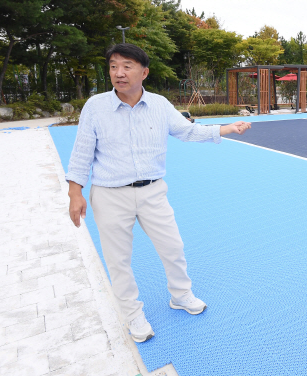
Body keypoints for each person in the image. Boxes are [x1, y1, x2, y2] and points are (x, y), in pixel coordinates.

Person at [66, 43, 251, 343]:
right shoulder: (96, 107)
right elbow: (82, 152)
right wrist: (76, 192)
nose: (119, 73)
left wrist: (226, 129)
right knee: (118, 260)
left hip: (153, 192)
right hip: (110, 194)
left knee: (173, 247)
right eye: (113, 66)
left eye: (127, 66)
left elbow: (187, 131)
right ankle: (132, 314)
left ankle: (180, 295)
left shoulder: (160, 105)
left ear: (144, 72)